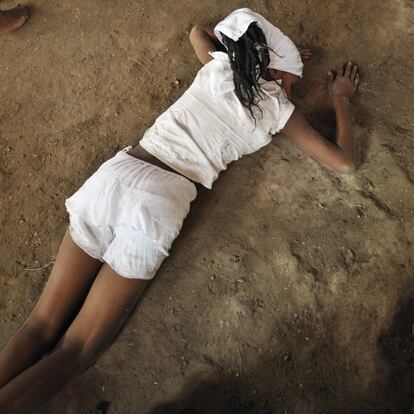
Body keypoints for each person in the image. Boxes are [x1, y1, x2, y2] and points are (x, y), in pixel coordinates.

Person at [0, 7, 359, 413]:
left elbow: (198, 32)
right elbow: (345, 162)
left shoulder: (217, 67)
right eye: (292, 80)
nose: (293, 88)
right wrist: (340, 99)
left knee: (40, 325)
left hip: (117, 174)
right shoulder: (278, 110)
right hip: (158, 202)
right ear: (275, 75)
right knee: (76, 351)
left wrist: (254, 55)